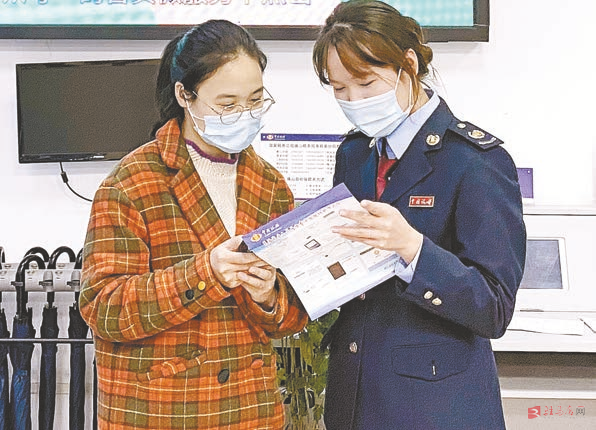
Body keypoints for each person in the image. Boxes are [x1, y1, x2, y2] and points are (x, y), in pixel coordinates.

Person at [79, 20, 308, 430]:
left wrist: (269, 296)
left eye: (256, 100)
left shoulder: (270, 185)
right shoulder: (132, 183)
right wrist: (206, 272)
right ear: (184, 95)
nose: (245, 115)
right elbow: (103, 308)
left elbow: (292, 316)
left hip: (249, 411)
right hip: (160, 411)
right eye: (227, 104)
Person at [312, 1, 526, 429]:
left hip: (435, 404)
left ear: (408, 64)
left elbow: (494, 307)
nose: (353, 100)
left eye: (365, 83)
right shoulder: (355, 154)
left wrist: (413, 248)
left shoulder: (474, 160)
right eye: (339, 88)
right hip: (354, 392)